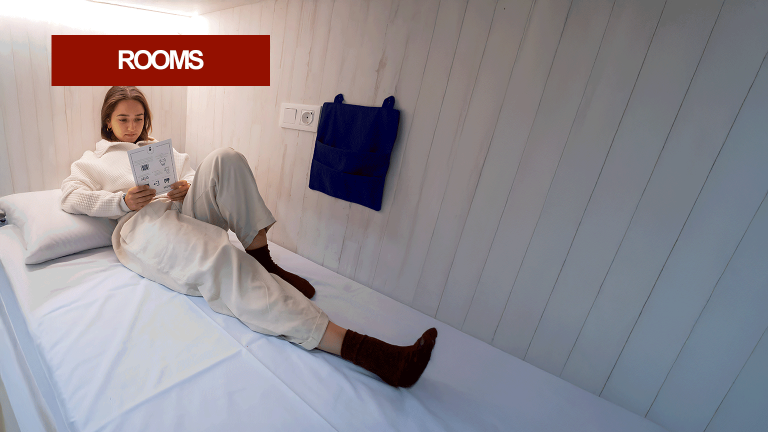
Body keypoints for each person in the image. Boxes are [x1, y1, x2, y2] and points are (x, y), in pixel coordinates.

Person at [60, 86, 437, 388]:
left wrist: (183, 188)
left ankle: (262, 258)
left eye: (139, 118)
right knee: (220, 256)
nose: (132, 126)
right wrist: (121, 201)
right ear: (108, 122)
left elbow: (194, 177)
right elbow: (70, 195)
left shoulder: (162, 151)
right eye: (123, 119)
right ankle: (363, 350)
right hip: (143, 224)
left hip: (180, 209)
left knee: (226, 156)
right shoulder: (94, 160)